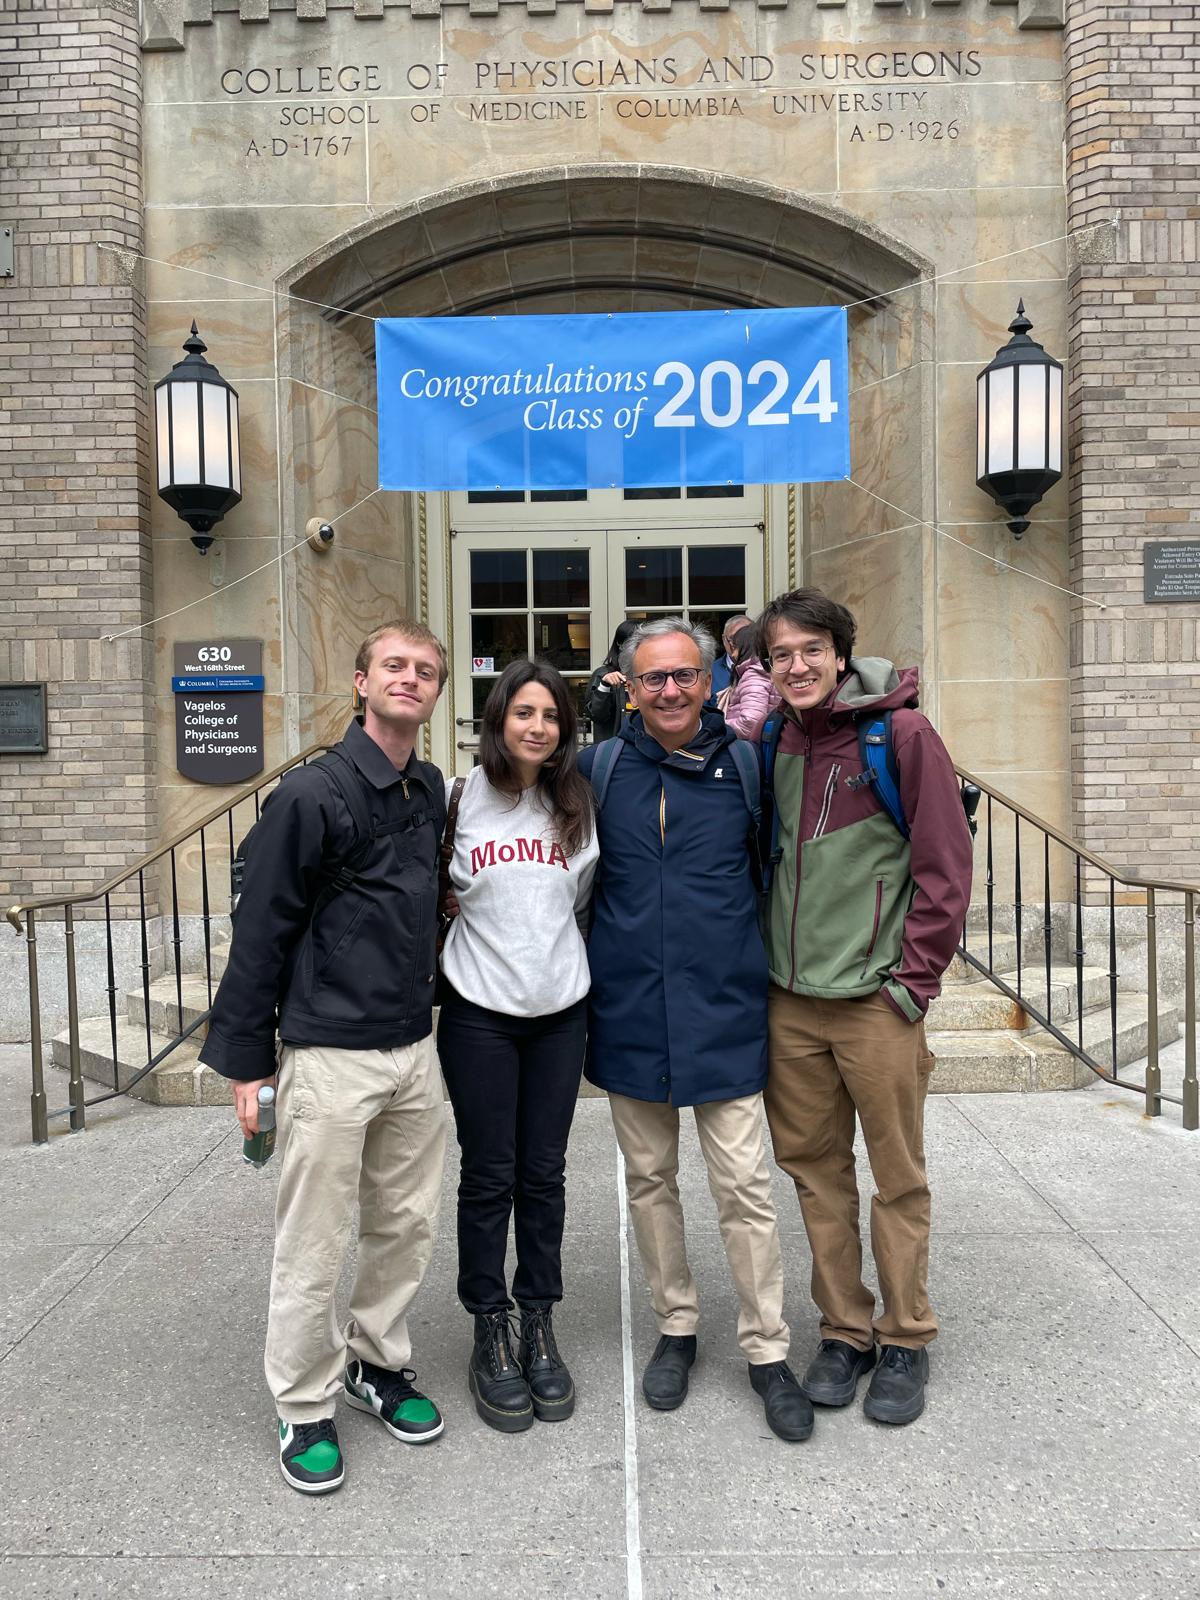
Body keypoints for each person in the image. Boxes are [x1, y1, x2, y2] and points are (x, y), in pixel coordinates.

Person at [199, 619, 450, 1496]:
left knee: (406, 1224)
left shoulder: (429, 787)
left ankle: (375, 1365)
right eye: (394, 666)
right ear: (360, 682)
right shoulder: (310, 794)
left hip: (415, 1050)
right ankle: (304, 1403)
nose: (409, 679)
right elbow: (260, 927)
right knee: (315, 1238)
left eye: (424, 670)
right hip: (329, 1056)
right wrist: (246, 1063)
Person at [578, 616, 813, 1444]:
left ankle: (766, 1347)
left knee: (746, 1189)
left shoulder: (749, 767)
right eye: (652, 680)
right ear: (629, 690)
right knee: (649, 1184)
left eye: (683, 676)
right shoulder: (598, 768)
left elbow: (782, 872)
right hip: (632, 1014)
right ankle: (676, 1327)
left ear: (712, 682)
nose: (669, 691)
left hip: (725, 1012)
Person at [755, 588, 973, 1427]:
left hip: (877, 1005)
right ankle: (844, 1330)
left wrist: (912, 984)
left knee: (897, 1178)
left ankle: (906, 1334)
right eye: (781, 655)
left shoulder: (901, 736)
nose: (798, 666)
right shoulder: (774, 737)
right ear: (766, 669)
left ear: (841, 654)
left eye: (812, 650)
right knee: (816, 1178)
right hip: (791, 1004)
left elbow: (945, 869)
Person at [437, 659, 599, 1434]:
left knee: (543, 1176)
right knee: (487, 1175)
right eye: (524, 712)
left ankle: (539, 1318)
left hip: (560, 1011)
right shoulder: (459, 799)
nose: (538, 727)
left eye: (552, 716)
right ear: (498, 719)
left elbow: (584, 901)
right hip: (479, 1014)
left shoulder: (574, 803)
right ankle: (488, 1326)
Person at [720, 621, 781, 740]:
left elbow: (750, 724)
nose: (733, 654)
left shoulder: (754, 675)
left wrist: (719, 725)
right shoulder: (762, 670)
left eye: (736, 647)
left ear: (746, 647)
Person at [584, 619, 638, 742]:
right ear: (620, 644)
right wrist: (604, 686)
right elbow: (597, 716)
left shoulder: (651, 675)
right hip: (616, 749)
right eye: (633, 643)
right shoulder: (603, 674)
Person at [710, 613, 752, 701]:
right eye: (733, 639)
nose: (738, 644)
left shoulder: (766, 669)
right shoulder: (710, 671)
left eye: (744, 638)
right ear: (724, 639)